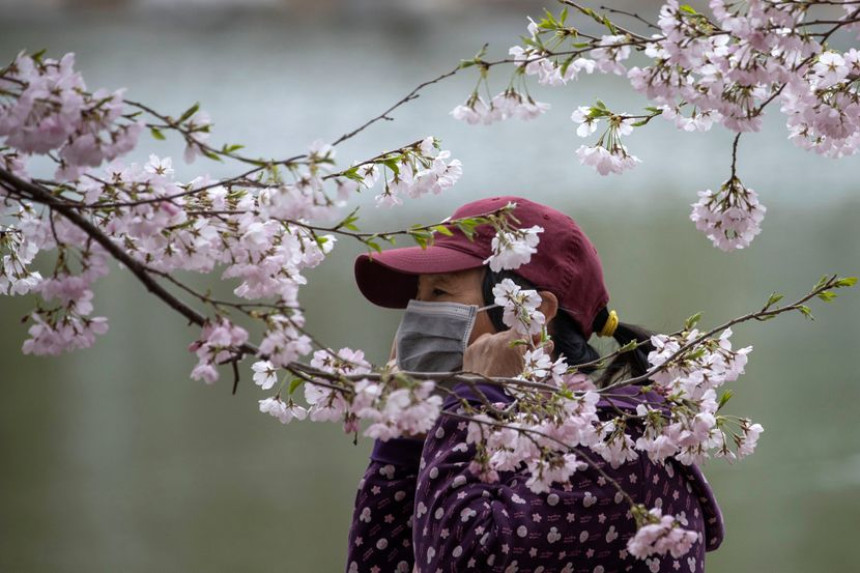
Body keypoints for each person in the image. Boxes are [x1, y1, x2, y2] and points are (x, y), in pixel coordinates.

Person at [345, 196, 724, 573]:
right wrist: (403, 441)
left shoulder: (614, 447)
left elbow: (467, 562)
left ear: (532, 314)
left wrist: (470, 405)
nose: (417, 318)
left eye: (439, 293)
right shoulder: (469, 436)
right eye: (418, 296)